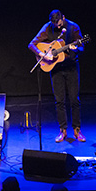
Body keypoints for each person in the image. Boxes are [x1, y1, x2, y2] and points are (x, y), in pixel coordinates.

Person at [28, 10, 86, 143]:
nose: (58, 27)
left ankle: (77, 130)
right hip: (55, 68)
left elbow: (81, 47)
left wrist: (75, 49)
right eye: (55, 25)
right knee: (59, 101)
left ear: (63, 18)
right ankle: (63, 130)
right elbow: (31, 44)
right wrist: (43, 55)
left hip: (71, 67)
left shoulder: (73, 27)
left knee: (74, 100)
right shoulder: (47, 27)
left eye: (59, 24)